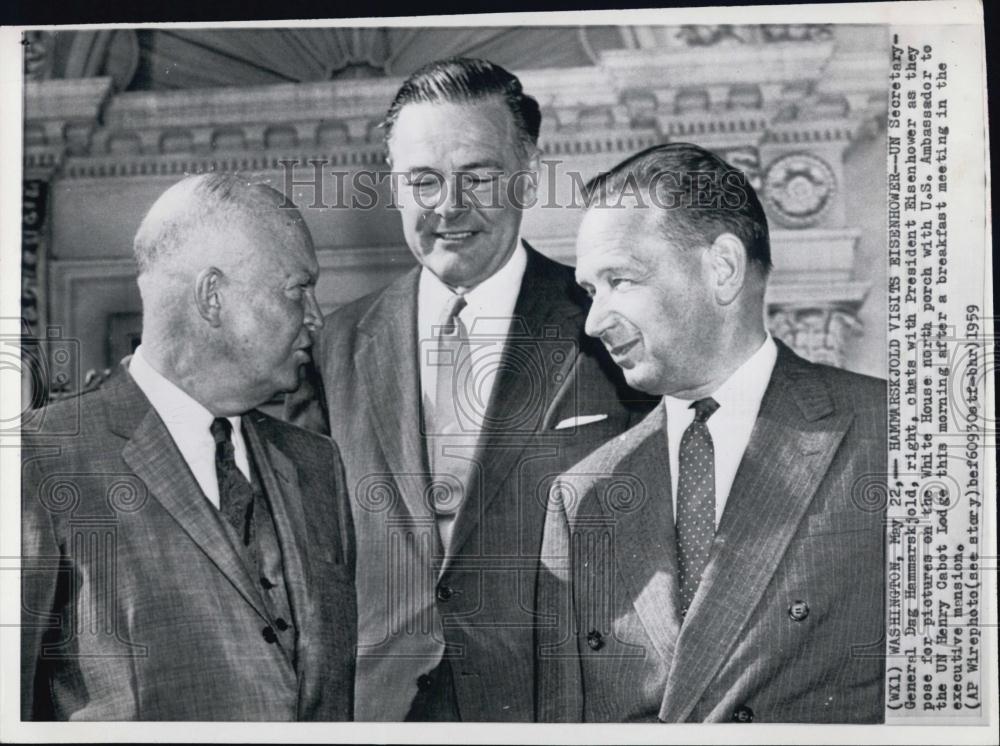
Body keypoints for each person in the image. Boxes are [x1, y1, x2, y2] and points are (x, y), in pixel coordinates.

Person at [286, 57, 655, 721]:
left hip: (560, 709)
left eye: (477, 177)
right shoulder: (334, 345)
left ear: (527, 172)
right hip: (377, 712)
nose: (449, 207)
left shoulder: (607, 325)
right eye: (423, 181)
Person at [536, 143, 886, 723]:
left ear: (722, 268)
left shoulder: (889, 437)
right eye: (590, 291)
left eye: (620, 280)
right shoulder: (583, 498)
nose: (594, 322)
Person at [21, 173, 356, 721]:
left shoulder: (318, 465)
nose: (316, 316)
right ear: (212, 296)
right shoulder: (38, 460)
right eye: (298, 289)